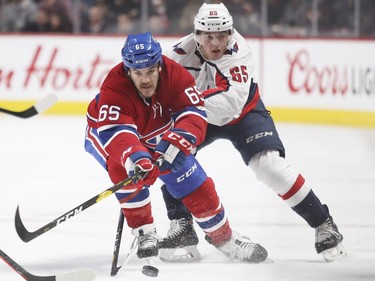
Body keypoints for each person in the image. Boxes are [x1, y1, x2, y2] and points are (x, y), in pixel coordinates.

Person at [159, 3, 346, 263]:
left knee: (269, 166)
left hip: (243, 114)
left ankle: (323, 223)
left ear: (231, 33)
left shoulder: (239, 51)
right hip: (199, 117)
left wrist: (183, 101)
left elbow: (232, 103)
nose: (216, 43)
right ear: (196, 35)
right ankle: (181, 225)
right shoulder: (176, 56)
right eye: (208, 36)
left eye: (222, 35)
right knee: (170, 154)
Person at [84, 31, 268, 263]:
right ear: (127, 70)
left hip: (156, 131)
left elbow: (193, 113)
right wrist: (137, 159)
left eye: (151, 70)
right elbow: (117, 133)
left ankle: (225, 239)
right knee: (126, 171)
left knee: (191, 177)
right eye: (138, 73)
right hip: (105, 135)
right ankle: (144, 232)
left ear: (159, 65)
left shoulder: (175, 75)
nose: (146, 80)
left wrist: (178, 142)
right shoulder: (114, 86)